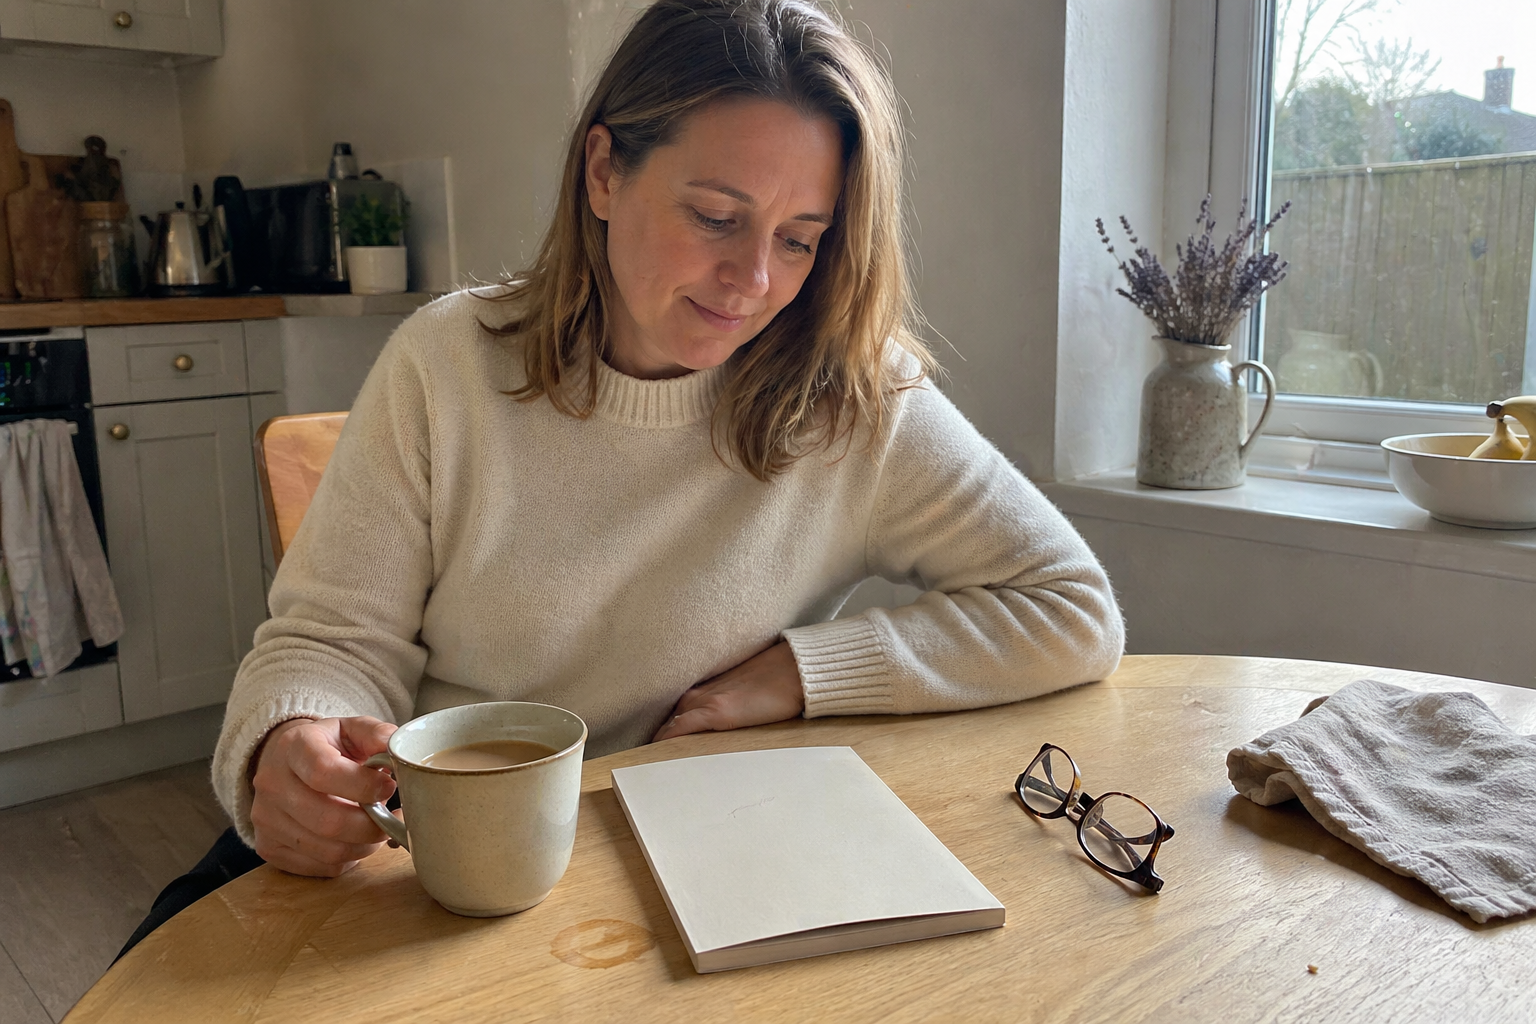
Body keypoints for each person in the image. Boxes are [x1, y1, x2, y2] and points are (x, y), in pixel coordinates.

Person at [120, 0, 1123, 954]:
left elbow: (1071, 606)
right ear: (604, 171)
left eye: (801, 239)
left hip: (666, 869)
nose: (755, 282)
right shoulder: (448, 363)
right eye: (717, 216)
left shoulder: (852, 396)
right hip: (419, 856)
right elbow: (329, 640)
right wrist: (287, 743)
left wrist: (801, 673)